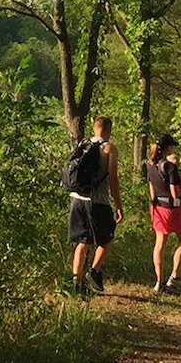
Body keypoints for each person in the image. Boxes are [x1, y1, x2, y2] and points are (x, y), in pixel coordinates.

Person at [68, 116, 124, 295]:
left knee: (82, 241)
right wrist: (118, 205)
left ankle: (76, 282)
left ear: (94, 128)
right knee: (107, 237)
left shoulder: (83, 145)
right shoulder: (109, 148)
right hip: (97, 201)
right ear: (108, 129)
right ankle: (94, 270)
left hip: (76, 199)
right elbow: (113, 178)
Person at [147, 132, 181, 294]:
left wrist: (152, 207)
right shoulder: (170, 167)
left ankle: (159, 281)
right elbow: (175, 193)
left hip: (157, 207)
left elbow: (151, 188)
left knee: (160, 244)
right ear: (168, 148)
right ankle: (174, 277)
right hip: (171, 209)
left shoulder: (151, 165)